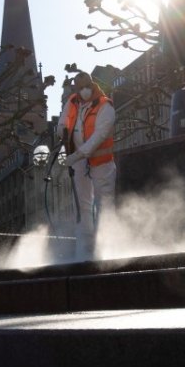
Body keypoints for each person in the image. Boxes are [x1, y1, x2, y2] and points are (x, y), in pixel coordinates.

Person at [61, 71, 117, 260]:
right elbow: (63, 122)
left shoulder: (105, 106)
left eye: (86, 87)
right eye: (79, 89)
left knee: (104, 204)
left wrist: (75, 155)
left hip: (101, 163)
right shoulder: (73, 101)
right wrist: (62, 132)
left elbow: (98, 137)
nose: (83, 92)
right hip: (79, 162)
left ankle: (106, 250)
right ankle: (84, 251)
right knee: (83, 206)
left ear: (92, 86)